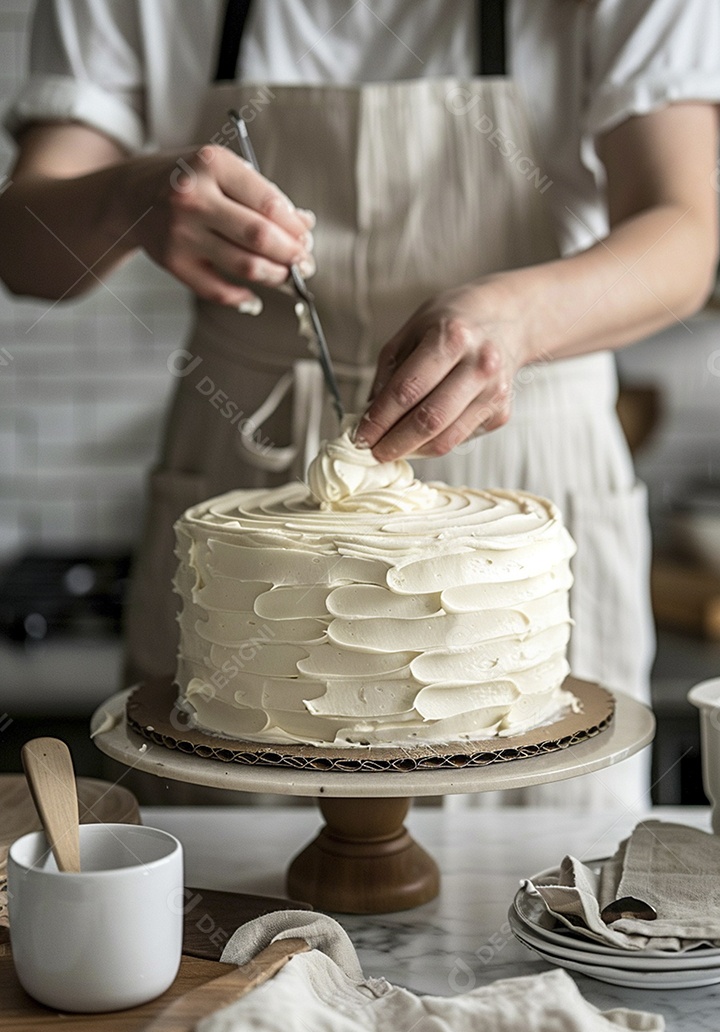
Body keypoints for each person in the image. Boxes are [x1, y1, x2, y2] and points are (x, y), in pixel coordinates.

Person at [2, 0, 719, 809]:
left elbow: (684, 233)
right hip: (253, 490)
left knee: (544, 879)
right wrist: (129, 196)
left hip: (528, 457)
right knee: (224, 886)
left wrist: (520, 319)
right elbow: (26, 250)